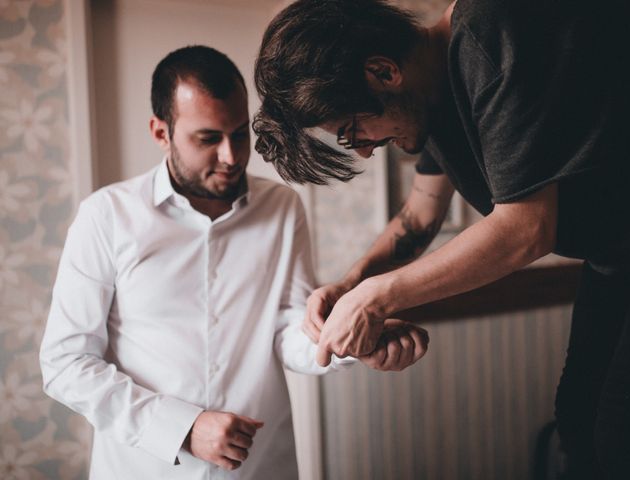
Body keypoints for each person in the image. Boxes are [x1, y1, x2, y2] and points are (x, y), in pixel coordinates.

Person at [252, 0, 630, 478]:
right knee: (577, 421)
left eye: (353, 132)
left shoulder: (489, 36)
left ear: (383, 71)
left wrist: (377, 299)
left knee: (621, 436)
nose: (368, 150)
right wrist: (351, 286)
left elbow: (526, 229)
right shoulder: (432, 104)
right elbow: (419, 216)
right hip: (618, 261)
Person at [39, 45, 429, 480]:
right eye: (208, 138)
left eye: (240, 134)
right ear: (160, 133)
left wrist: (348, 342)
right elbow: (66, 363)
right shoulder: (106, 217)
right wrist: (181, 428)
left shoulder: (282, 207)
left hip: (261, 468)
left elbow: (288, 328)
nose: (231, 156)